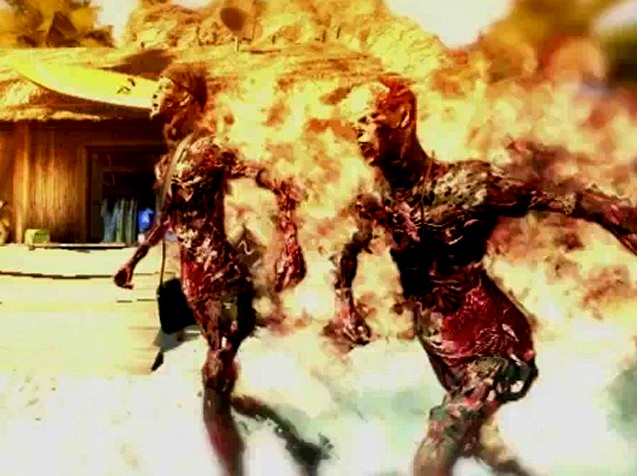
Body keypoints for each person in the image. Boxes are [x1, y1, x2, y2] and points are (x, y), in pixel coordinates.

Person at [325, 76, 637, 475]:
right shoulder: (379, 197)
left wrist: (615, 216)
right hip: (443, 350)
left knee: (443, 438)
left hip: (495, 343)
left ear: (402, 116)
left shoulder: (467, 185)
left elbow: (555, 198)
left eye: (368, 121)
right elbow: (348, 250)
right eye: (354, 126)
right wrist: (344, 305)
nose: (359, 136)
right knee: (484, 450)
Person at [113, 63, 307, 475]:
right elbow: (168, 219)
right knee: (223, 391)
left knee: (214, 387)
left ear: (185, 98)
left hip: (225, 286)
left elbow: (272, 180)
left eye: (164, 87)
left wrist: (291, 240)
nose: (155, 93)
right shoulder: (168, 164)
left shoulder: (210, 150)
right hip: (195, 289)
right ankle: (298, 443)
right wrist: (135, 259)